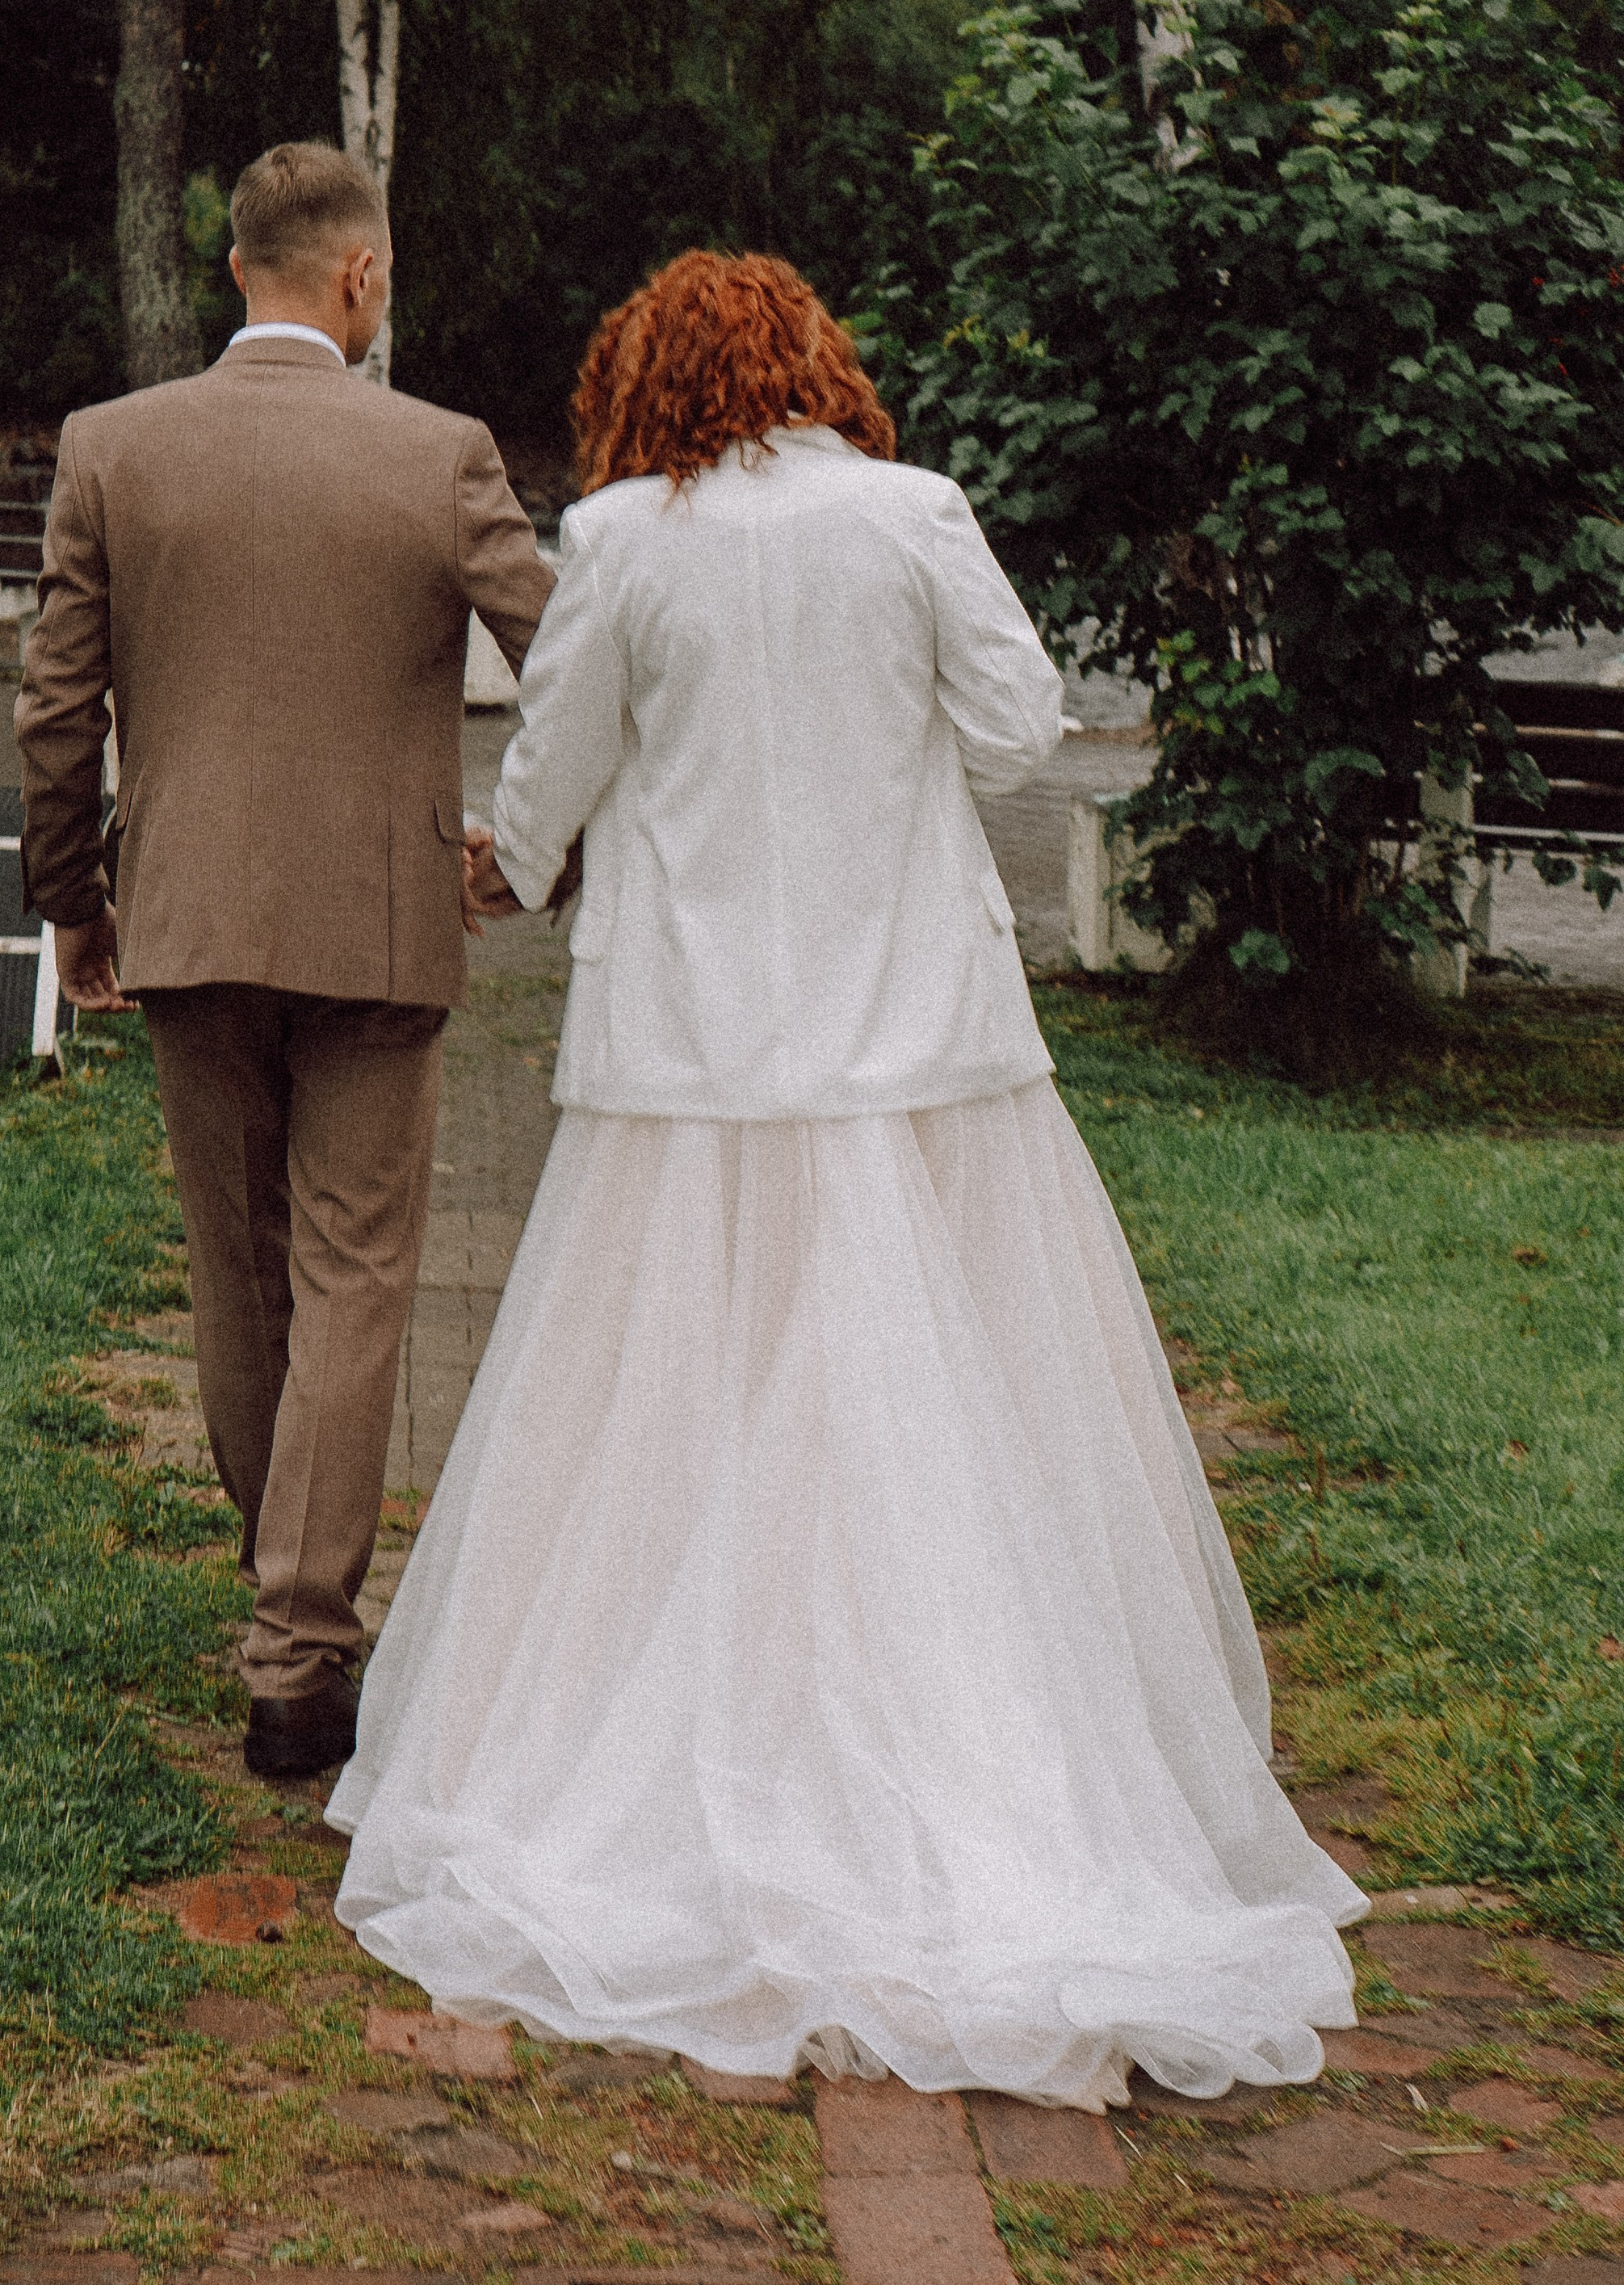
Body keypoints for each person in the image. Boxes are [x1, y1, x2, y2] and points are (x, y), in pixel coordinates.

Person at [328, 249, 1363, 2109]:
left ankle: (682, 1738)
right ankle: (972, 1757)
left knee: (672, 1393)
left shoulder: (626, 537)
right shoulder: (912, 513)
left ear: (638, 377)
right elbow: (1015, 726)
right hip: (914, 1030)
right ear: (816, 364)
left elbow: (552, 764)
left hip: (694, 1046)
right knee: (940, 1398)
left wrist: (519, 862)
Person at [15, 141, 553, 1781]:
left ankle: (287, 1617)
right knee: (352, 1277)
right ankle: (300, 1646)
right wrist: (536, 854)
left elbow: (55, 707)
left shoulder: (111, 448)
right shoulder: (440, 453)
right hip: (381, 927)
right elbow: (577, 669)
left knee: (240, 1277)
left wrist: (72, 903)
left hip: (182, 919)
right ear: (359, 275)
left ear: (233, 267)